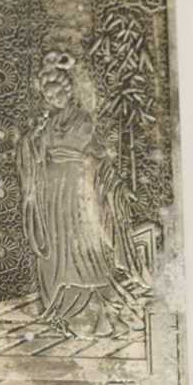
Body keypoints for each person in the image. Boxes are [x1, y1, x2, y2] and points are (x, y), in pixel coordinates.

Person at [18, 51, 142, 338]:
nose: (54, 99)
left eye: (58, 93)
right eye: (49, 96)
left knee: (85, 247)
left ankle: (91, 311)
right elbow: (35, 154)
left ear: (69, 90)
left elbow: (100, 157)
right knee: (57, 248)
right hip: (52, 194)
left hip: (79, 191)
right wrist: (32, 140)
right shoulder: (47, 124)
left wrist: (114, 185)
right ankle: (62, 309)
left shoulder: (83, 119)